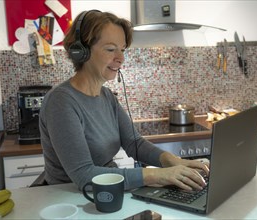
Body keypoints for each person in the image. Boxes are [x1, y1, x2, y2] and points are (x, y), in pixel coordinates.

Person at [39, 10, 209, 192]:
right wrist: (158, 175)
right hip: (70, 199)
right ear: (82, 51)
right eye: (111, 49)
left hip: (108, 192)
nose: (120, 58)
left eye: (122, 49)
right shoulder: (61, 101)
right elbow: (83, 175)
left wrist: (175, 162)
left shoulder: (107, 96)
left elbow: (134, 143)